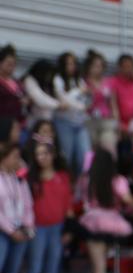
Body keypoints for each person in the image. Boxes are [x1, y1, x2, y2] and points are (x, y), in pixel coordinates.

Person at [79, 150, 133, 273]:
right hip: (112, 222)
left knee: (98, 261)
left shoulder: (86, 180)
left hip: (92, 222)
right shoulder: (118, 181)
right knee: (100, 263)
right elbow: (128, 200)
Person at [24, 139, 72, 273]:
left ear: (52, 155)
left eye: (45, 153)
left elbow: (67, 203)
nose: (41, 157)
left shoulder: (62, 176)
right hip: (38, 228)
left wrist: (68, 228)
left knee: (52, 267)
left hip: (57, 227)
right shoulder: (31, 178)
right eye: (38, 154)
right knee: (35, 267)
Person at [0, 142, 34, 273]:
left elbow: (27, 203)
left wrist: (28, 226)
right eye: (14, 157)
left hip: (19, 230)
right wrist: (10, 230)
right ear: (4, 158)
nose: (18, 161)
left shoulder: (19, 178)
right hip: (3, 232)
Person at [53, 51, 91, 184]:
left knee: (85, 157)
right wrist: (78, 92)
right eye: (68, 63)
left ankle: (83, 189)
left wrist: (82, 103)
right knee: (66, 158)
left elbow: (85, 102)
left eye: (74, 63)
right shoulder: (57, 79)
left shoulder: (79, 80)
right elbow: (64, 101)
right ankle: (66, 187)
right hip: (64, 123)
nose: (72, 66)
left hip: (80, 123)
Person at [105, 54, 133, 133]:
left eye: (131, 66)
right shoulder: (113, 81)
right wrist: (118, 124)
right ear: (120, 67)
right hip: (119, 123)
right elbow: (111, 104)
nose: (129, 69)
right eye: (126, 66)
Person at [0, 45, 22, 144]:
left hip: (14, 122)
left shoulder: (16, 82)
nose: (12, 67)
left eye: (14, 64)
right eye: (9, 64)